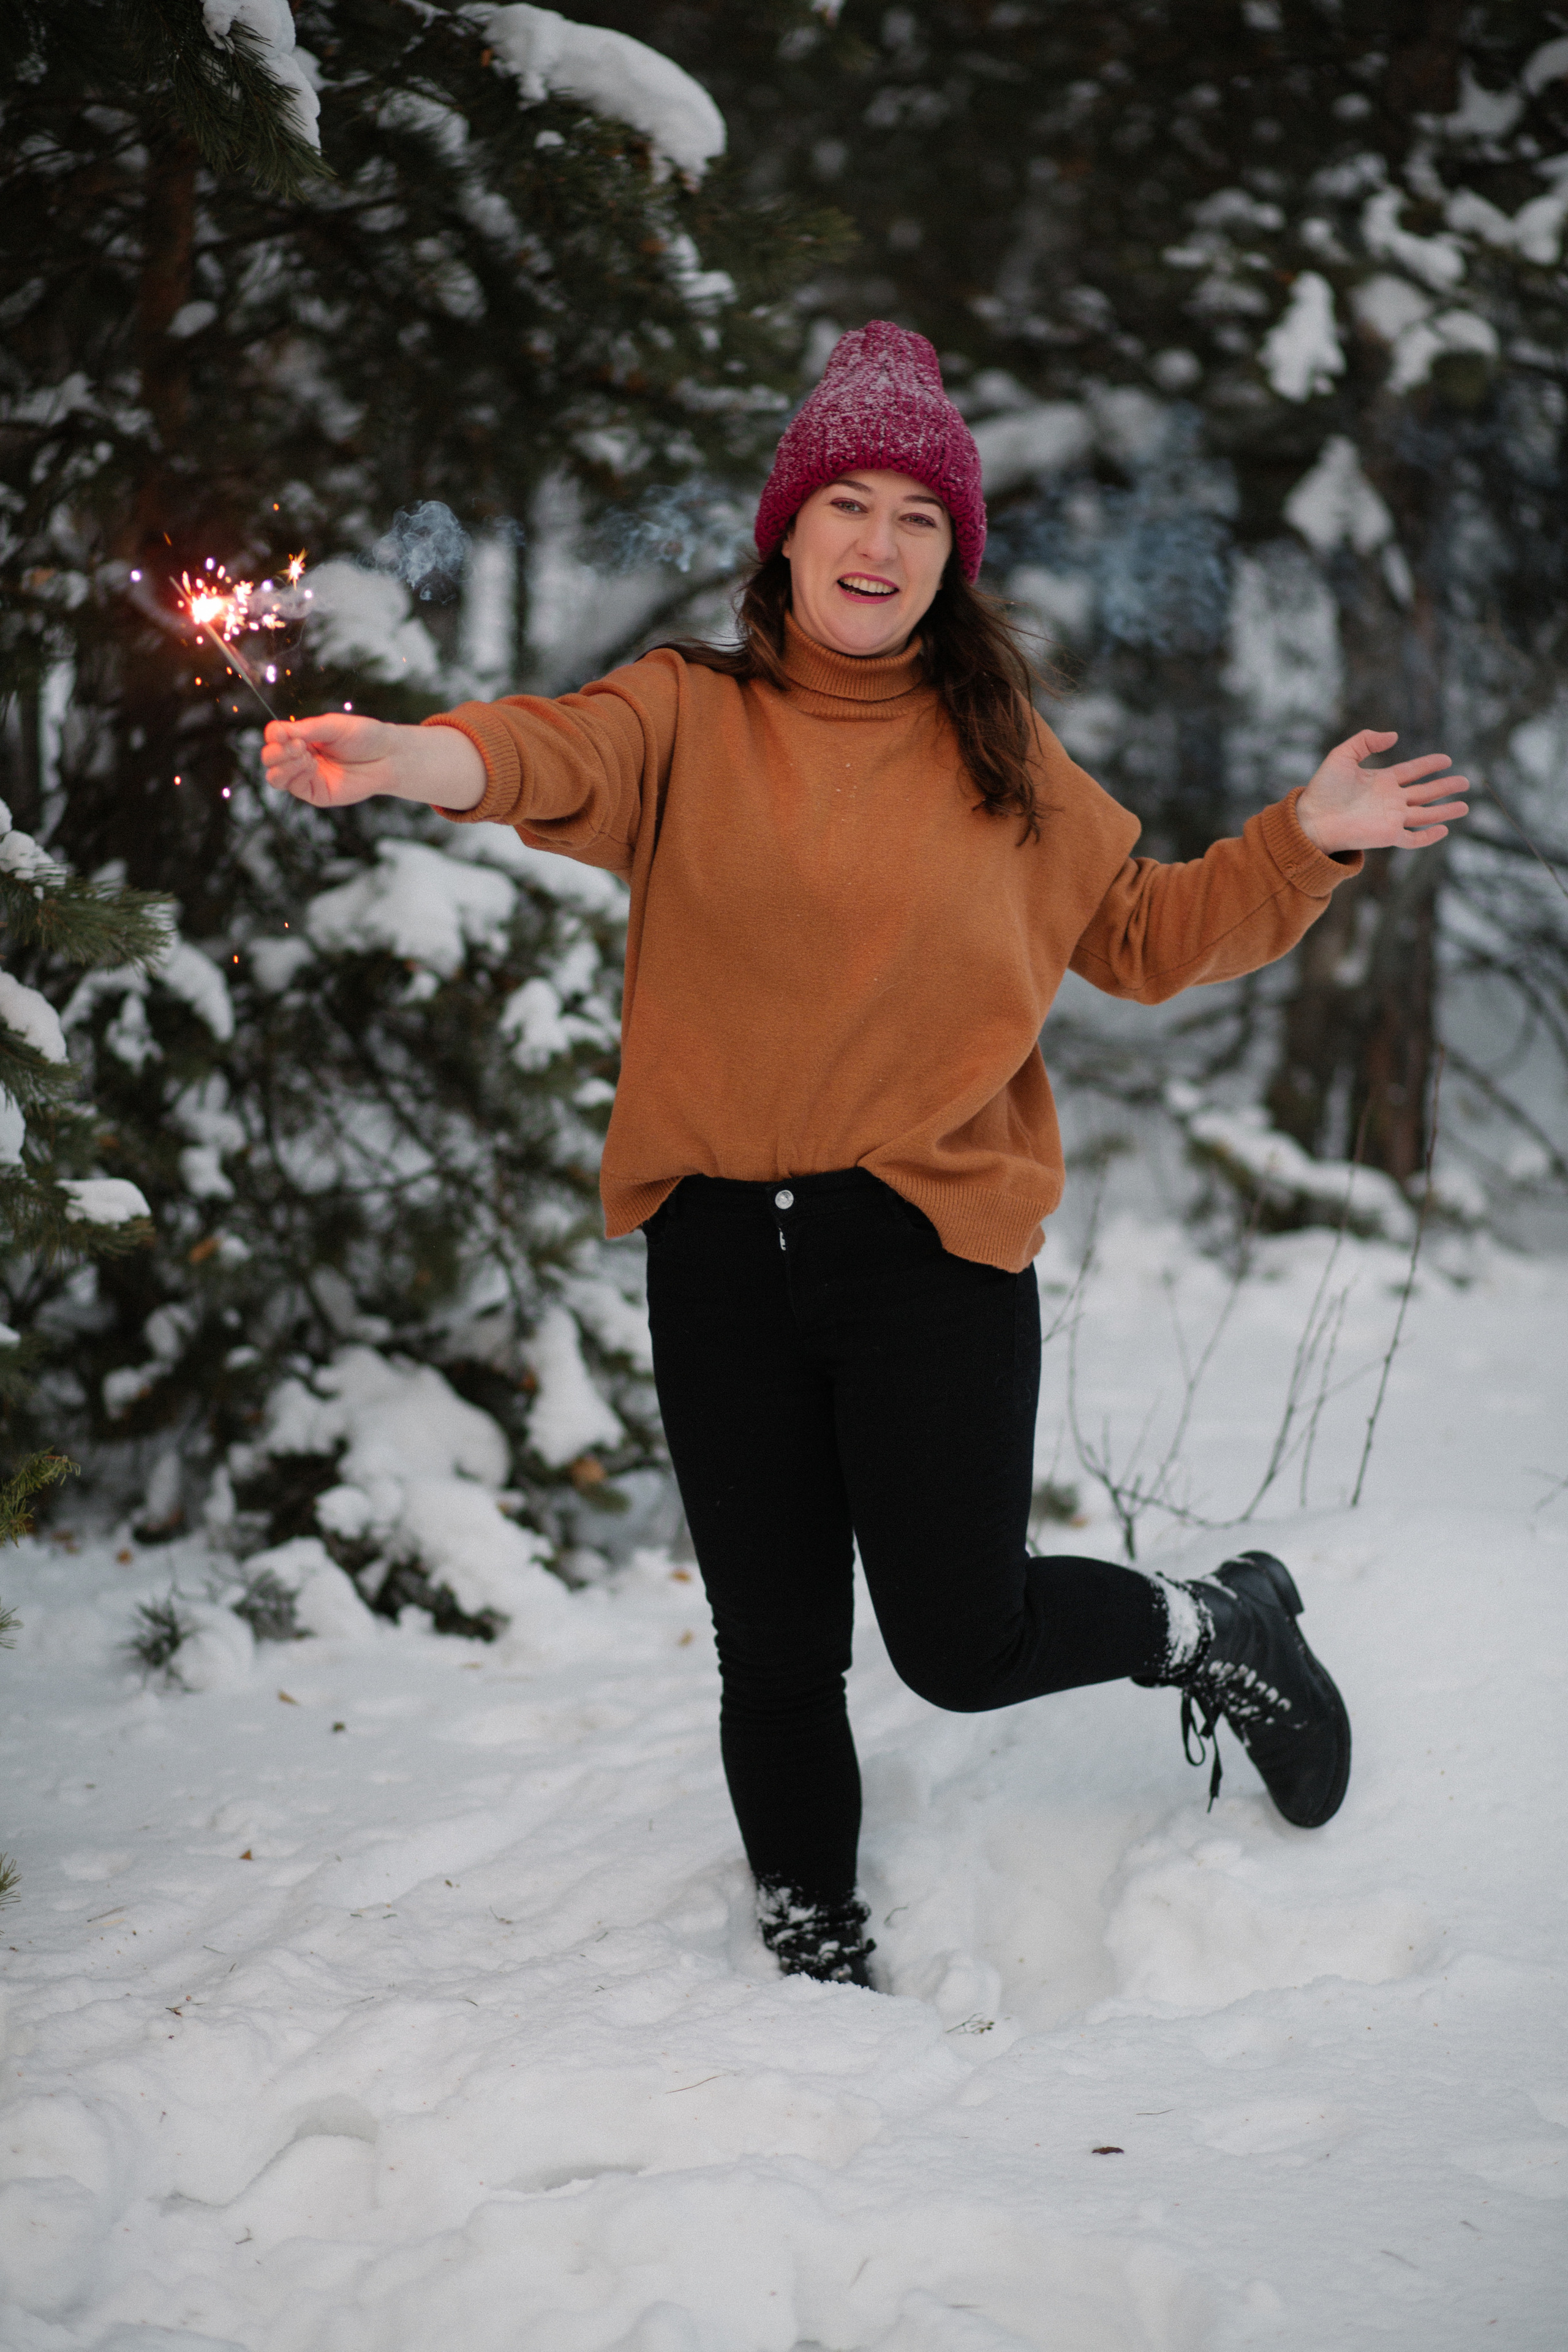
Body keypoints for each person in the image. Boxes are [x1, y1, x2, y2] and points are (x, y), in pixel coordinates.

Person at [262, 322, 1469, 1991]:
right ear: (790, 530)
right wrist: (421, 757)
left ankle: (1220, 1630)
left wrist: (1298, 846)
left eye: (920, 513)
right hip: (715, 1247)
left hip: (925, 1248)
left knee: (963, 1647)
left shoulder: (999, 757)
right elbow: (554, 750)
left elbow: (1140, 930)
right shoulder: (689, 717)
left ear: (954, 553)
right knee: (772, 1653)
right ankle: (816, 1948)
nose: (881, 542)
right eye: (851, 504)